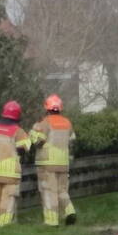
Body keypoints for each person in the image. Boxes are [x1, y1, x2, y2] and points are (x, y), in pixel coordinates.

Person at [0, 100, 31, 226]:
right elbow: (25, 148)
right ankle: (3, 225)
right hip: (11, 173)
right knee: (7, 199)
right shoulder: (18, 131)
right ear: (17, 116)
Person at [30, 95, 76, 226]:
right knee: (62, 190)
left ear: (47, 108)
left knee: (49, 191)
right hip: (63, 162)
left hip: (47, 162)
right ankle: (69, 211)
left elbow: (37, 141)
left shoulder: (44, 123)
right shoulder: (67, 123)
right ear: (60, 108)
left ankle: (51, 221)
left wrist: (33, 133)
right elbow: (72, 141)